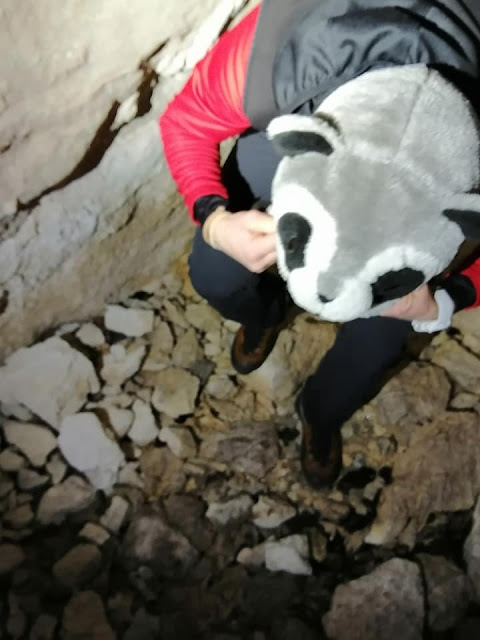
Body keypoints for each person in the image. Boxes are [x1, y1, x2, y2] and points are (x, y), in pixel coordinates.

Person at [159, 0, 480, 488]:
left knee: (373, 349)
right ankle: (264, 314)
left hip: (438, 176)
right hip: (325, 113)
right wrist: (215, 221)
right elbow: (187, 122)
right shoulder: (284, 52)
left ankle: (320, 413)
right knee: (215, 271)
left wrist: (448, 296)